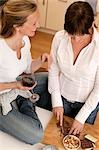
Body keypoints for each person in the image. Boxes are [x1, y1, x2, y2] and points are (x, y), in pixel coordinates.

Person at [0, 0, 50, 145]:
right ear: (17, 26)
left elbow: (27, 69)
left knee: (47, 79)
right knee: (35, 135)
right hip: (2, 96)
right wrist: (16, 85)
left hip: (16, 87)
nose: (38, 26)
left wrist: (40, 61)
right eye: (34, 23)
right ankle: (26, 103)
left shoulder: (25, 40)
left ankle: (24, 101)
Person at [48, 1, 99, 135]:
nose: (75, 39)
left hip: (87, 106)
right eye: (71, 34)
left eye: (80, 35)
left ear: (91, 25)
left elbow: (98, 88)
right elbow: (53, 70)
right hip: (62, 98)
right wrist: (56, 102)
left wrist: (81, 118)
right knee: (54, 135)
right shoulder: (59, 38)